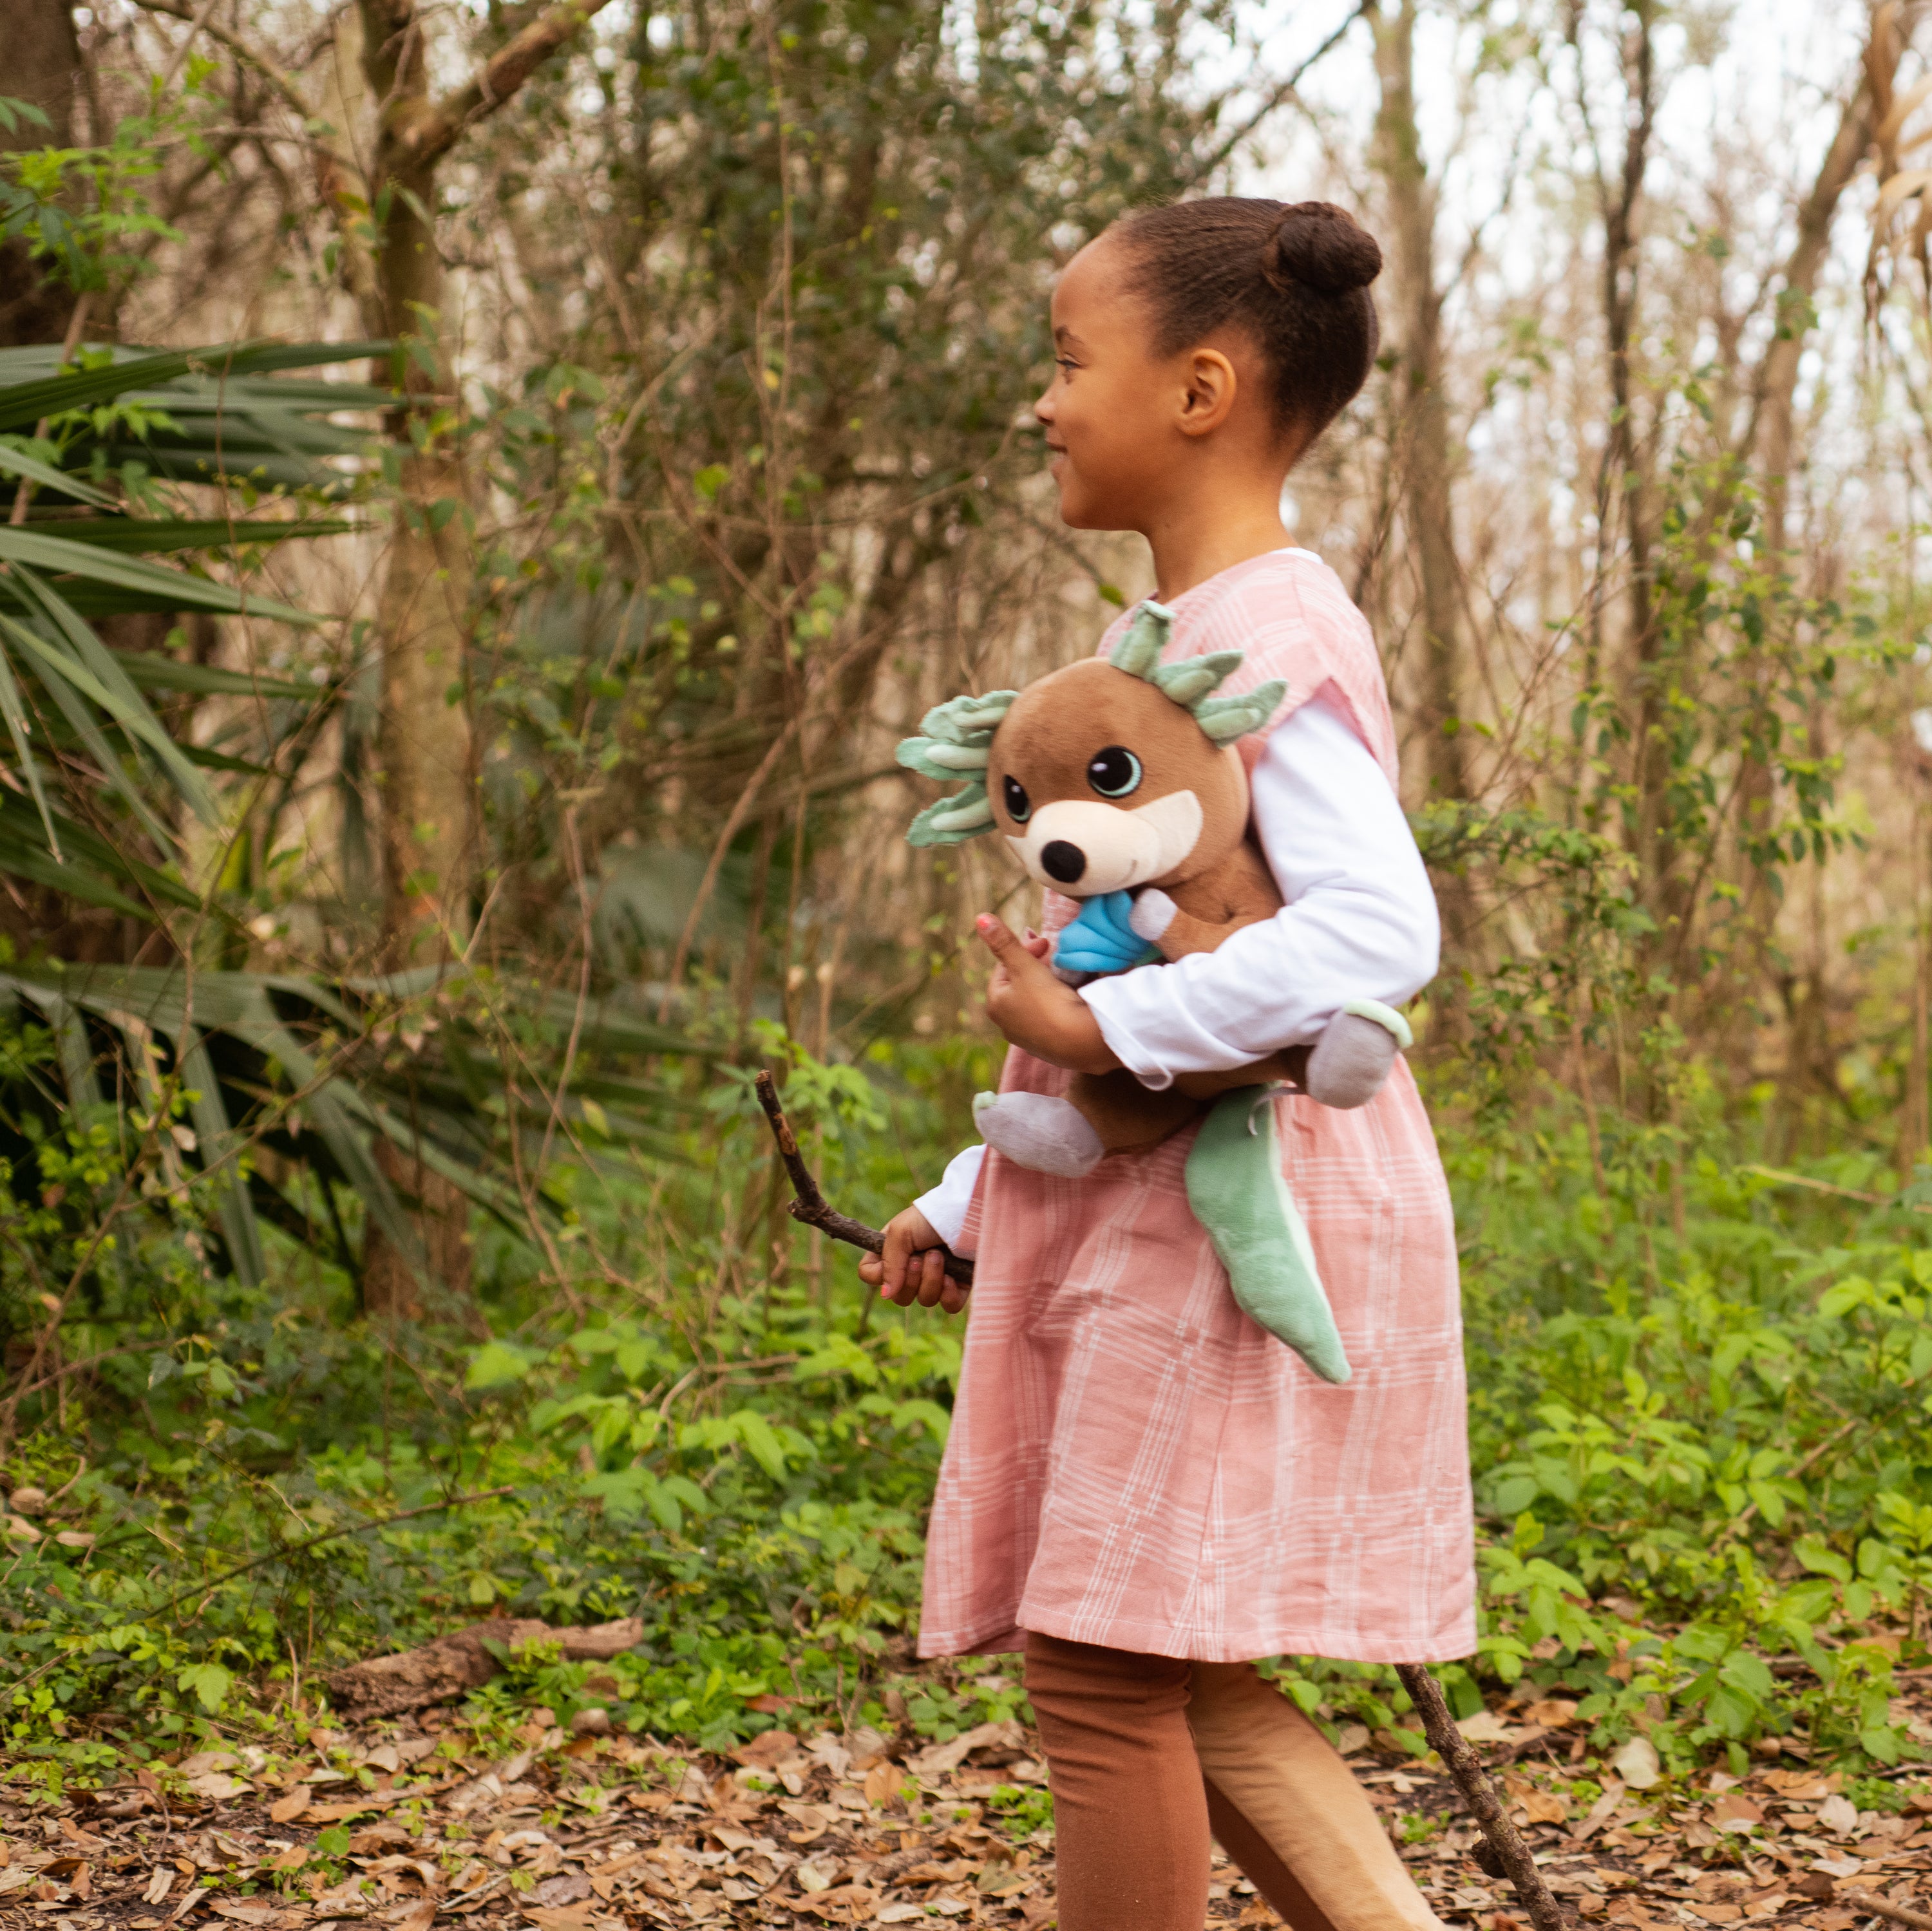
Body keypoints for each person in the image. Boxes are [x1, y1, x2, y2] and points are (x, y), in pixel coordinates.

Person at [857, 196, 1473, 1931]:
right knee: (1159, 1663)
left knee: (1103, 1671)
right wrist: (977, 1184)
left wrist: (1106, 1032)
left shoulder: (1270, 640)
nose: (1042, 402)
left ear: (1199, 387)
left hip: (1239, 1214)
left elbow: (1368, 934)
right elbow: (1166, 937)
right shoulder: (1180, 640)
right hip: (1155, 1206)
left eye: (1068, 362)